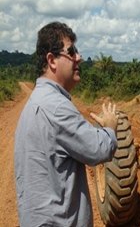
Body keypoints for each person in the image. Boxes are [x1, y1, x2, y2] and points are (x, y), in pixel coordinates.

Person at [14, 21, 118, 227]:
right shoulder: (56, 108)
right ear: (52, 60)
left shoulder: (38, 100)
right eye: (71, 52)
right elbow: (98, 149)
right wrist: (110, 127)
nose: (78, 57)